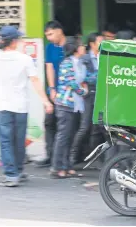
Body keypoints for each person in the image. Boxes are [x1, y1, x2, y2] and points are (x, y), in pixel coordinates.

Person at [0, 26, 53, 187]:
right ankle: (19, 171)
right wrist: (46, 101)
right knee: (19, 140)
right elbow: (35, 81)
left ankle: (11, 174)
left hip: (2, 106)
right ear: (14, 42)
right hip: (21, 107)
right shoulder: (25, 59)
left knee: (6, 141)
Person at [51, 37, 95, 179]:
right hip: (65, 105)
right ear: (75, 48)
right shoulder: (67, 63)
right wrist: (84, 91)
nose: (84, 47)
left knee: (69, 137)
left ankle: (67, 166)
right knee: (63, 137)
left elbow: (87, 78)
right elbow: (72, 83)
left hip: (76, 106)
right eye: (81, 45)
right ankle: (57, 168)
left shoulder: (81, 63)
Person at [35, 21, 66, 168]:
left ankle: (65, 160)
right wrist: (52, 88)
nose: (49, 37)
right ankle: (50, 155)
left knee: (66, 126)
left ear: (59, 31)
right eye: (47, 35)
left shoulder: (72, 45)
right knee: (49, 122)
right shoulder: (50, 48)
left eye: (50, 34)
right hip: (55, 92)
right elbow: (49, 68)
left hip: (69, 93)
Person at [70, 33, 103, 165]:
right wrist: (100, 75)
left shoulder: (104, 56)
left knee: (98, 128)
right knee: (84, 127)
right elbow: (83, 78)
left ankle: (96, 158)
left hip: (100, 94)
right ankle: (72, 157)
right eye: (100, 41)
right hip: (89, 95)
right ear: (92, 44)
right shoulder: (85, 58)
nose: (103, 43)